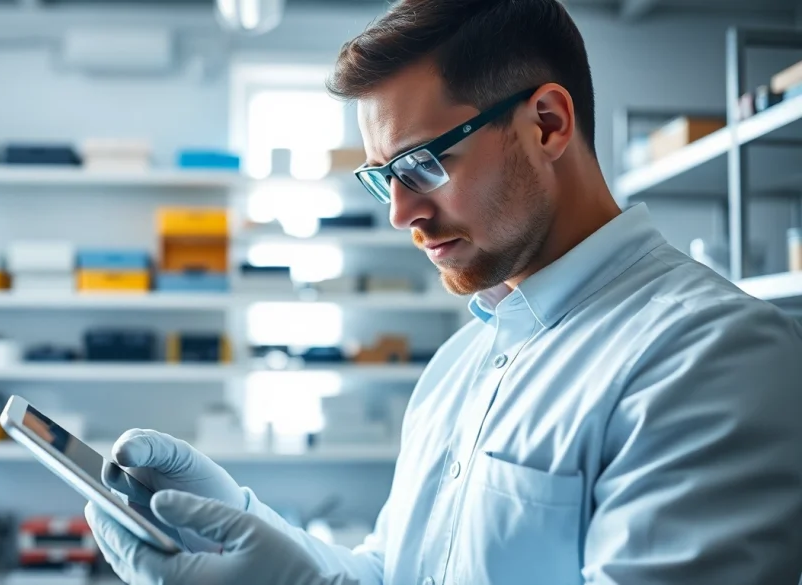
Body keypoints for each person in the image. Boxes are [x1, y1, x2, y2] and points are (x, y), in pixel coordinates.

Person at [85, 0, 802, 583]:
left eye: (423, 163)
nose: (400, 212)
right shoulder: (461, 365)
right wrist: (253, 531)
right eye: (381, 176)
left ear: (547, 124)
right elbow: (398, 570)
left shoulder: (715, 360)